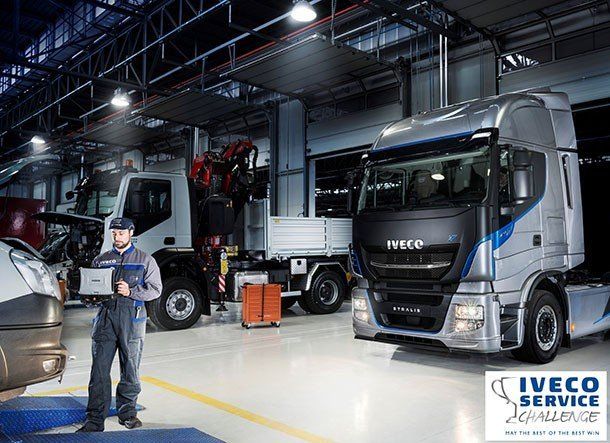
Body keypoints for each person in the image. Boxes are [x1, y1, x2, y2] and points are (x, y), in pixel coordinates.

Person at [77, 217, 162, 432]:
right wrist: (89, 297)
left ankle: (127, 413)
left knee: (130, 368)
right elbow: (90, 292)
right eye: (114, 233)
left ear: (131, 233)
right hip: (105, 319)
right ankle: (95, 419)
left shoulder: (145, 260)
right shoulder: (101, 260)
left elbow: (156, 289)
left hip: (132, 319)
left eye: (121, 233)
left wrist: (131, 291)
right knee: (99, 370)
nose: (117, 237)